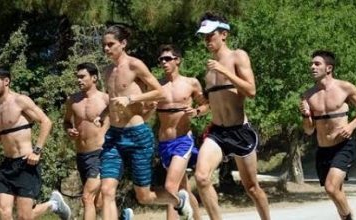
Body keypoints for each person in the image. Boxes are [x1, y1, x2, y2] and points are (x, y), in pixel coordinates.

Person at [100, 25, 193, 220]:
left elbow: (160, 92)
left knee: (144, 196)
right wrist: (102, 114)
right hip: (114, 137)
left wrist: (132, 99)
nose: (106, 49)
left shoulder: (135, 65)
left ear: (123, 44)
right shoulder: (107, 70)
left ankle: (178, 202)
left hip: (137, 136)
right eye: (104, 45)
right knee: (107, 190)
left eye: (111, 44)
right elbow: (113, 99)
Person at [194, 12, 271, 220]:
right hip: (217, 132)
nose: (207, 40)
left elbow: (251, 91)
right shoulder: (208, 71)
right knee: (201, 178)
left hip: (239, 131)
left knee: (252, 188)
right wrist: (201, 109)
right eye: (204, 36)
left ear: (224, 34)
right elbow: (214, 102)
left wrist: (225, 71)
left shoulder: (238, 56)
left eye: (211, 35)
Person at [0, 66, 71, 220]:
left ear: (6, 81)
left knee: (24, 217)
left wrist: (37, 151)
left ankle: (53, 205)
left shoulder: (20, 100)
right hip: (7, 165)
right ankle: (53, 204)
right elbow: (2, 135)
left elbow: (46, 122)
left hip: (26, 164)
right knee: (3, 212)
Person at [300, 50, 356, 220]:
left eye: (317, 64)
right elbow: (309, 130)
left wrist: (352, 126)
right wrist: (305, 115)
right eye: (311, 64)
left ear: (329, 68)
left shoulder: (344, 87)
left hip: (343, 146)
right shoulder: (308, 95)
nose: (312, 67)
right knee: (337, 192)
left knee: (331, 188)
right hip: (323, 150)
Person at [155, 44, 208, 220]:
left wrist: (197, 112)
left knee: (171, 188)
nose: (163, 62)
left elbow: (206, 104)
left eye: (167, 58)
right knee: (182, 188)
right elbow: (144, 108)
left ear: (177, 60)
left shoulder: (191, 83)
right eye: (161, 59)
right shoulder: (156, 86)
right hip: (164, 142)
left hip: (182, 141)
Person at [63, 62, 109, 220]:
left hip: (100, 153)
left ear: (94, 78)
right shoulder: (73, 100)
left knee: (87, 197)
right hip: (81, 155)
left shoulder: (105, 99)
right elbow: (66, 121)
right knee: (97, 203)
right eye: (77, 77)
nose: (79, 80)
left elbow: (120, 122)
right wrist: (69, 129)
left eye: (82, 76)